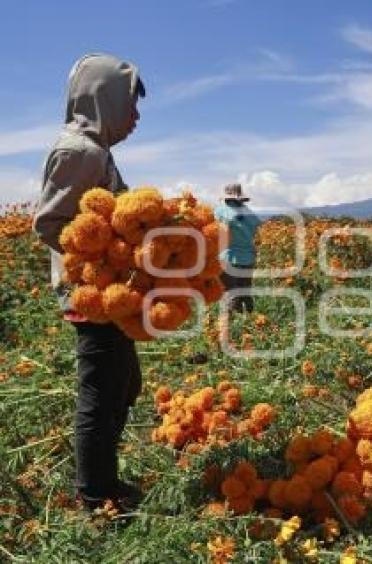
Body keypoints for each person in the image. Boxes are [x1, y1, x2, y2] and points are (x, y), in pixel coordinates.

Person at [32, 53, 146, 512]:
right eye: (130, 105)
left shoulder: (95, 151)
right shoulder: (80, 151)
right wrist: (110, 248)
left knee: (123, 384)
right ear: (105, 99)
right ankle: (97, 496)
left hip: (105, 291)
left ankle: (102, 478)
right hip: (91, 293)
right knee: (101, 393)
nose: (136, 117)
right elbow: (49, 222)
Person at [214, 183, 262, 314]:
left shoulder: (221, 210)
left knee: (230, 293)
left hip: (228, 258)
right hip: (248, 259)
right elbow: (255, 231)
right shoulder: (248, 211)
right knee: (245, 292)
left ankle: (230, 326)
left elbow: (213, 230)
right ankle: (250, 322)